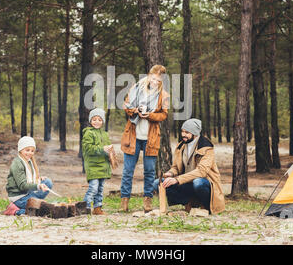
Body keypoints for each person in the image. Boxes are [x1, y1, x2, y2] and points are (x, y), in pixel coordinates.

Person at [120, 64, 170, 212]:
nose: (155, 82)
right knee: (128, 171)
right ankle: (124, 201)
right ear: (149, 75)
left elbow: (164, 114)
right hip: (133, 135)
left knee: (149, 171)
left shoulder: (164, 95)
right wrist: (136, 110)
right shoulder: (135, 89)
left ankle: (147, 201)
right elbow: (126, 106)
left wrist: (150, 115)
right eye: (153, 79)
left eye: (158, 81)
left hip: (151, 137)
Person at [153, 118, 225, 214]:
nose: (183, 135)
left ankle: (206, 206)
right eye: (182, 131)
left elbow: (201, 172)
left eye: (187, 132)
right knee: (158, 183)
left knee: (198, 183)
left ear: (195, 133)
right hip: (186, 182)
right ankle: (188, 202)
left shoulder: (207, 148)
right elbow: (176, 167)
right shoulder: (181, 146)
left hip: (204, 182)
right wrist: (170, 173)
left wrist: (177, 179)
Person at [3, 136, 53, 216]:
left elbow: (27, 177)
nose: (30, 153)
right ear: (21, 149)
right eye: (27, 150)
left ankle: (32, 205)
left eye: (32, 151)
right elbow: (22, 185)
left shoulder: (28, 161)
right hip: (19, 197)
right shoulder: (17, 164)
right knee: (42, 210)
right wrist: (38, 186)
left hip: (28, 193)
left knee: (47, 182)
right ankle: (15, 210)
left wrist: (38, 179)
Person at [82, 108, 114, 215]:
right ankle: (84, 207)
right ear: (90, 121)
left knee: (100, 189)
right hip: (93, 165)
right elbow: (88, 149)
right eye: (94, 119)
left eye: (99, 120)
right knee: (93, 188)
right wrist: (102, 149)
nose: (97, 122)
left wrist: (110, 152)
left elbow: (107, 149)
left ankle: (97, 208)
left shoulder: (105, 134)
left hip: (103, 166)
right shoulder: (88, 133)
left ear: (103, 121)